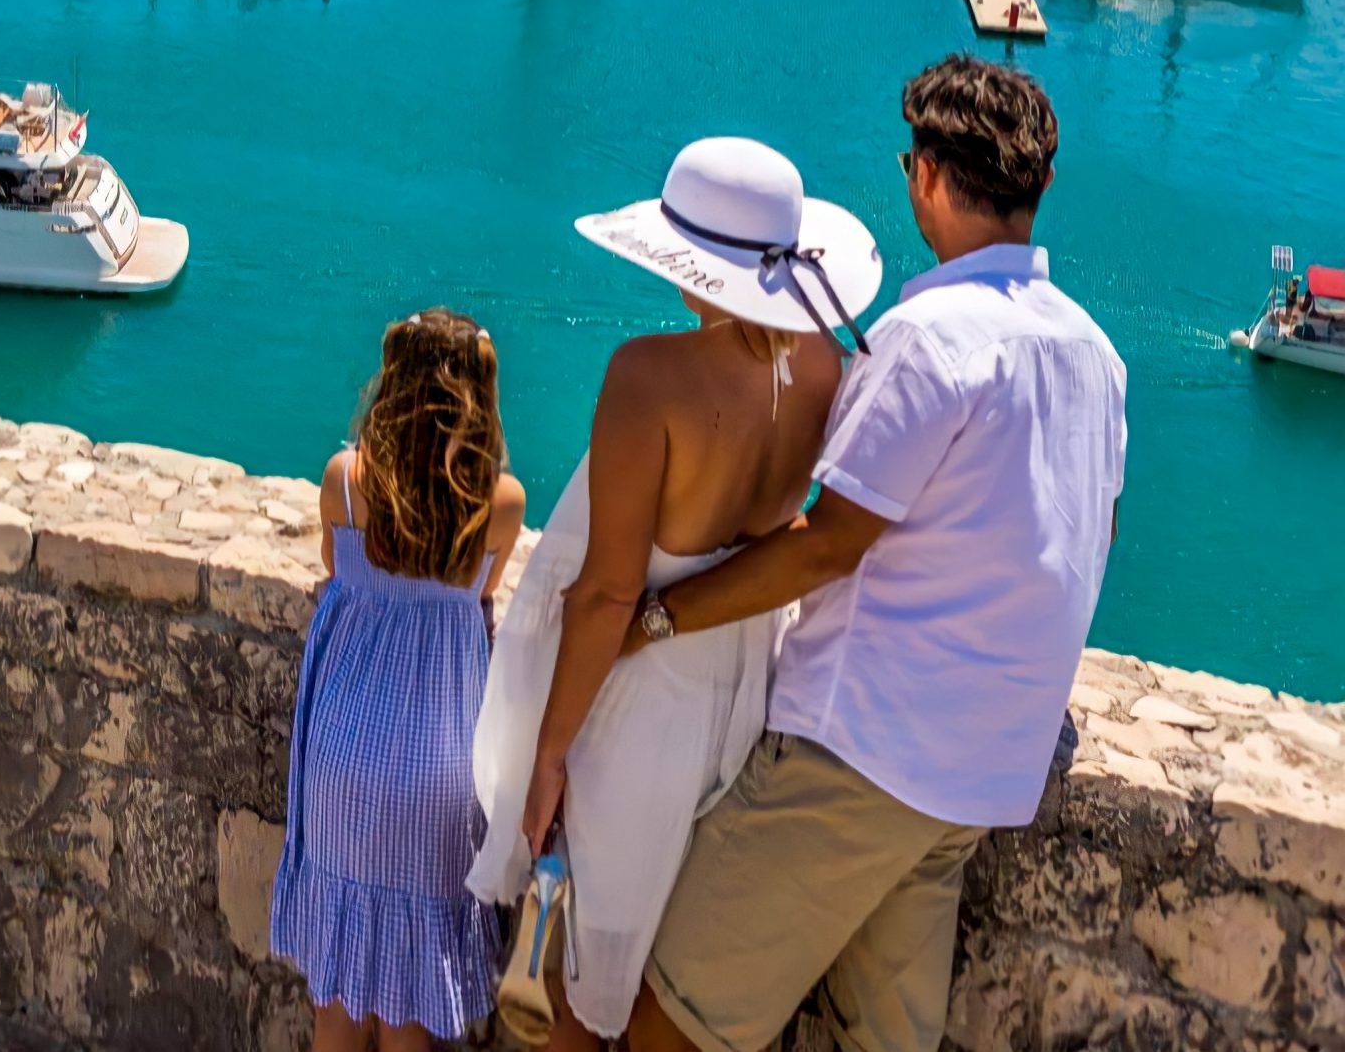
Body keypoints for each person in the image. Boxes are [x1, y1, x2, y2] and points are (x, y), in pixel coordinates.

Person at [625, 57, 1127, 1052]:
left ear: (929, 175)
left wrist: (658, 615)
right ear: (1040, 183)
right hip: (978, 776)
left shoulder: (930, 333)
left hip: (861, 757)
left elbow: (827, 544)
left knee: (668, 1024)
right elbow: (1071, 537)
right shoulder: (1094, 356)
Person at [470, 136, 881, 1047]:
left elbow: (610, 594)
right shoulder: (826, 369)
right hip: (736, 695)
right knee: (656, 955)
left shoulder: (649, 377)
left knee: (569, 974)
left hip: (629, 706)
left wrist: (547, 757)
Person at [270, 310, 529, 1050]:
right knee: (412, 1005)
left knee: (339, 1000)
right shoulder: (498, 503)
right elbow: (482, 592)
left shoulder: (346, 481)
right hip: (438, 768)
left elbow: (333, 564)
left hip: (346, 754)